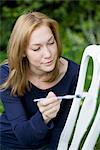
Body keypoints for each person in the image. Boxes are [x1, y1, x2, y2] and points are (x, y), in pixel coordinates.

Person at [0, 11, 79, 150]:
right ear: (23, 51)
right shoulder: (7, 74)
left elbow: (61, 133)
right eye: (37, 48)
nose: (48, 54)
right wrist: (43, 117)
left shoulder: (73, 73)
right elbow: (24, 136)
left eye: (51, 43)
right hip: (6, 141)